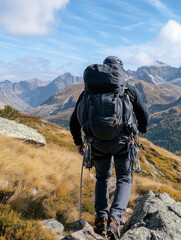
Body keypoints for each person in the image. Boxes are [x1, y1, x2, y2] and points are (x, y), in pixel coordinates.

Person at [69, 56, 149, 239]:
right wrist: (141, 132)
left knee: (102, 178)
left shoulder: (87, 92)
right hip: (123, 143)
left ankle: (101, 218)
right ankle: (115, 218)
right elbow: (144, 115)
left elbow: (73, 122)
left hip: (96, 143)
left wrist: (78, 144)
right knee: (124, 179)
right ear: (119, 71)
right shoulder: (128, 91)